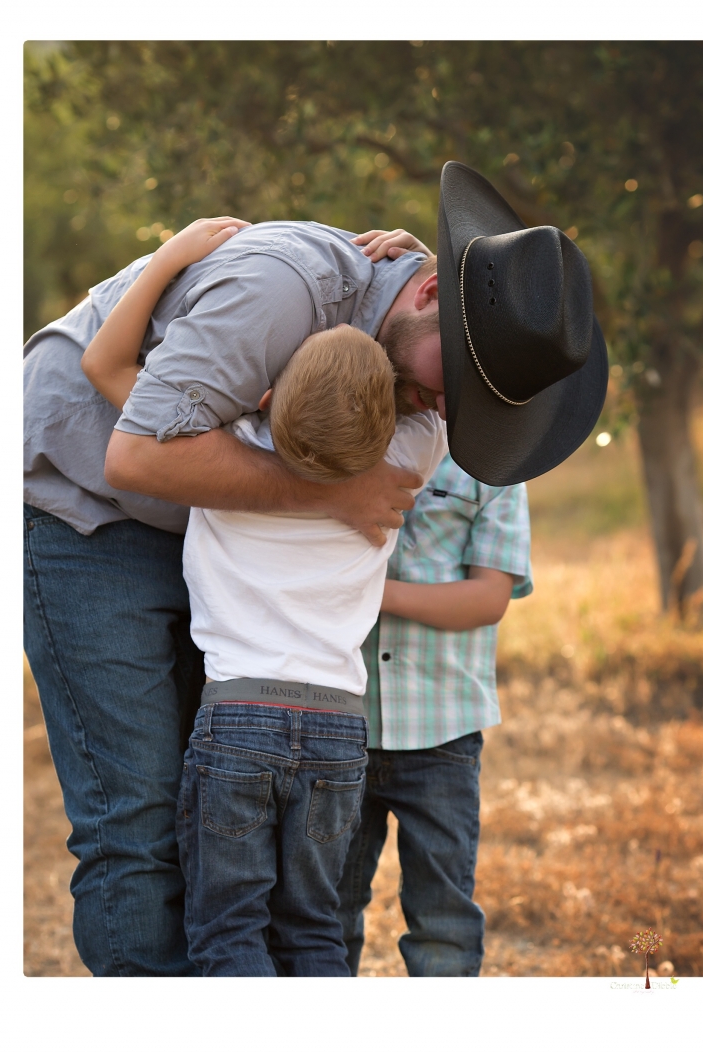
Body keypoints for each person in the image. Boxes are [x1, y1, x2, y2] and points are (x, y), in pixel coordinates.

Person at [24, 160, 607, 976]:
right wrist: (327, 489)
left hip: (220, 599)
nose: (449, 414)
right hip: (84, 498)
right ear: (431, 295)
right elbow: (137, 456)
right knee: (151, 826)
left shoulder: (404, 388)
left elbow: (136, 382)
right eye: (460, 384)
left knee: (222, 886)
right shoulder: (281, 296)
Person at [80, 217, 447, 975]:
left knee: (228, 932)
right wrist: (417, 268)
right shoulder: (409, 458)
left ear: (269, 394)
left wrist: (171, 257)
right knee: (315, 929)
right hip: (341, 730)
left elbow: (103, 365)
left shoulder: (231, 455)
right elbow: (423, 386)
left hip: (240, 721)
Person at [336, 453, 533, 976]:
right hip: (340, 725)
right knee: (327, 909)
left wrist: (374, 594)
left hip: (443, 729)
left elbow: (489, 597)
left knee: (442, 915)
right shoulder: (344, 442)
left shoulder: (498, 467)